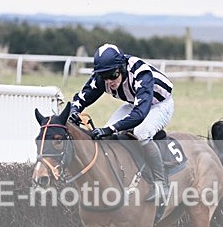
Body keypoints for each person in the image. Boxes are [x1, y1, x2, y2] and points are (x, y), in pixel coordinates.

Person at [68, 43, 174, 203]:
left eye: (113, 75)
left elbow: (139, 114)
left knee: (141, 133)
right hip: (134, 103)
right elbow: (81, 98)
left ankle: (161, 183)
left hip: (160, 105)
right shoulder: (102, 76)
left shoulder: (141, 74)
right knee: (106, 139)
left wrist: (110, 128)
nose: (109, 81)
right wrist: (73, 112)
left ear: (123, 67)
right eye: (104, 77)